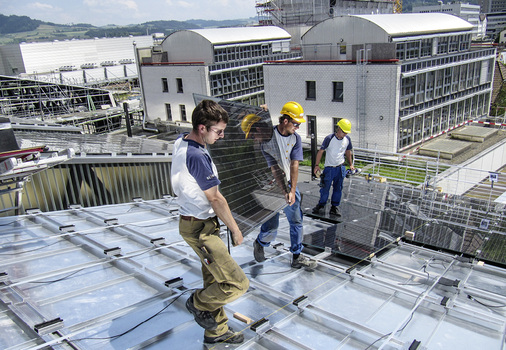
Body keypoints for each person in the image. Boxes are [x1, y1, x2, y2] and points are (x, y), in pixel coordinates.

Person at [170, 99, 249, 344]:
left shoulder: (183, 140)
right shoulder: (196, 155)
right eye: (218, 131)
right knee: (236, 283)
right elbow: (215, 198)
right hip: (200, 228)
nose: (222, 136)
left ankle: (216, 332)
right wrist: (235, 229)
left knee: (214, 279)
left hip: (196, 221)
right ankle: (196, 302)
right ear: (202, 128)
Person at [250, 101, 317, 269]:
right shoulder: (267, 137)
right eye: (296, 123)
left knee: (296, 221)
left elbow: (295, 165)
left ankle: (297, 256)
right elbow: (274, 168)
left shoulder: (295, 138)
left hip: (289, 183)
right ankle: (260, 243)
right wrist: (260, 113)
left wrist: (292, 191)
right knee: (272, 225)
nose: (298, 127)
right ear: (285, 121)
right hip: (271, 186)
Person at [312, 118, 355, 217]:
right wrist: (317, 165)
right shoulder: (329, 138)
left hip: (340, 168)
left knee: (338, 188)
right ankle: (321, 205)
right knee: (325, 188)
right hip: (329, 168)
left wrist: (351, 164)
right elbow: (321, 151)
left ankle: (334, 207)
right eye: (344, 132)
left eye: (347, 132)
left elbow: (348, 152)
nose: (345, 134)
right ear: (338, 128)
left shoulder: (347, 140)